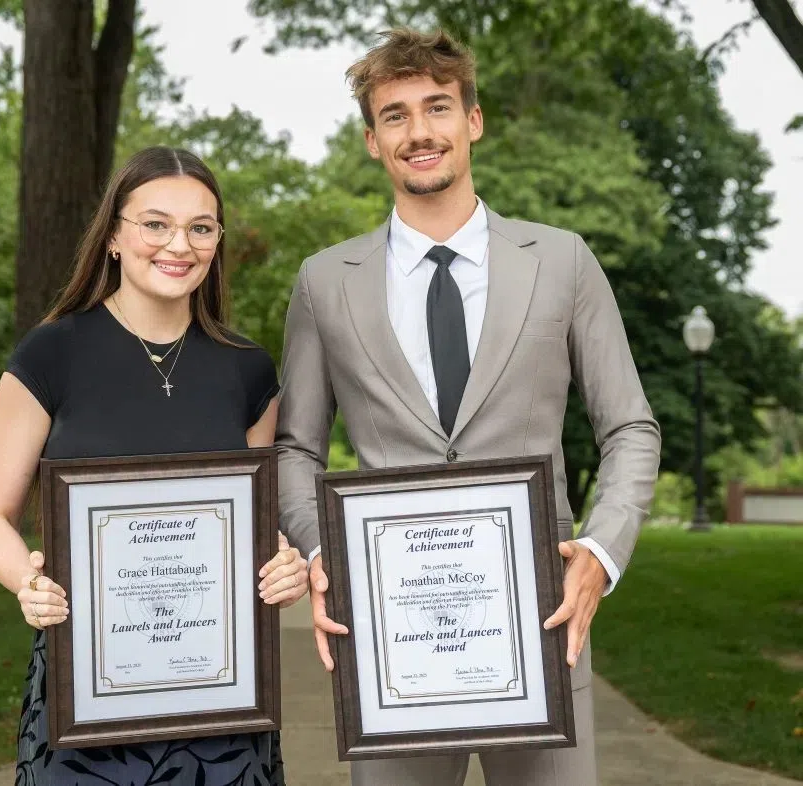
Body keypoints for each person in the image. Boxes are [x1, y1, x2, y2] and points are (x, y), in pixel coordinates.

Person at [275, 28, 661, 786]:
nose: (418, 132)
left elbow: (630, 427)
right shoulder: (325, 282)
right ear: (372, 140)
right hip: (389, 638)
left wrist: (602, 551)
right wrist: (325, 557)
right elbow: (296, 448)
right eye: (395, 115)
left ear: (473, 120)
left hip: (543, 625)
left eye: (437, 107)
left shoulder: (563, 261)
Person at [0, 145, 307, 786]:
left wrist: (282, 565)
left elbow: (253, 526)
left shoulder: (248, 369)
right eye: (156, 224)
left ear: (217, 242)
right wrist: (27, 583)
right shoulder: (51, 353)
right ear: (114, 237)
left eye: (200, 227)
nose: (179, 244)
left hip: (221, 690)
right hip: (87, 684)